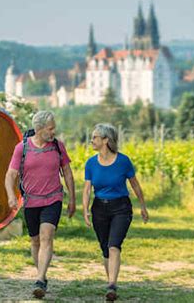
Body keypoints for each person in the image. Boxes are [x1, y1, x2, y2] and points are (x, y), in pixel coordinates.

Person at [5, 110, 76, 299]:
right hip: (31, 201)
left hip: (53, 199)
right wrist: (11, 195)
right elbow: (11, 175)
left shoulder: (58, 147)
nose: (54, 132)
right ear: (39, 128)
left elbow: (67, 173)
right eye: (51, 129)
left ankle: (40, 279)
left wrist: (72, 199)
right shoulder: (22, 148)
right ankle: (41, 276)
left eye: (54, 128)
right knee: (35, 241)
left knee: (47, 236)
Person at [82, 123, 149, 301]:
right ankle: (110, 281)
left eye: (95, 137)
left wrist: (143, 206)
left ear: (105, 140)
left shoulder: (123, 161)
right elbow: (87, 189)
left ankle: (112, 285)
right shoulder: (90, 163)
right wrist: (85, 210)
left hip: (121, 208)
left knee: (114, 245)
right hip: (99, 209)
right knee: (105, 248)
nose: (92, 140)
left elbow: (135, 185)